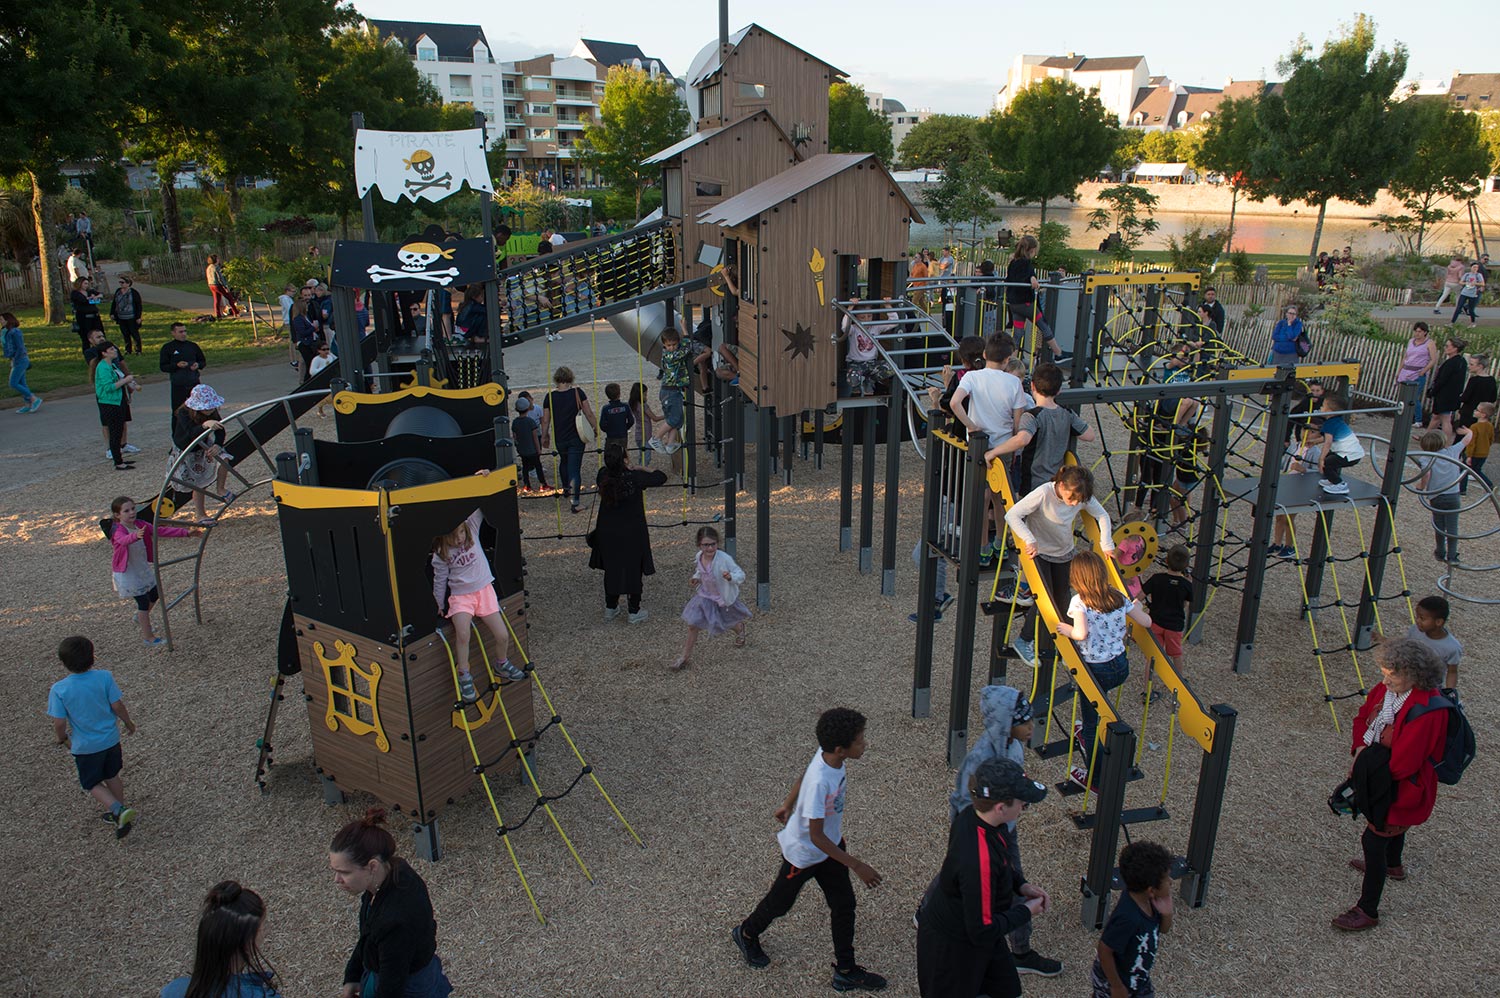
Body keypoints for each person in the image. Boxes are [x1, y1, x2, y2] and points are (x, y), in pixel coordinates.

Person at [731, 708, 887, 993]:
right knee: (780, 904)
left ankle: (846, 970)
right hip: (804, 855)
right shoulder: (821, 782)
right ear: (841, 749)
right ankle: (746, 933)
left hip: (830, 848)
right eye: (860, 740)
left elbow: (802, 776)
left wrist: (787, 804)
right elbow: (815, 836)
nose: (865, 744)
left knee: (844, 905)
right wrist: (857, 865)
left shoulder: (828, 758)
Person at [944, 688, 1062, 978]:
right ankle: (1021, 951)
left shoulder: (1014, 746)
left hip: (1003, 827)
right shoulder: (980, 757)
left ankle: (927, 911)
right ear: (1006, 723)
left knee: (962, 874)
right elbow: (963, 802)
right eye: (1026, 722)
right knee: (1004, 881)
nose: (1032, 727)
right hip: (989, 833)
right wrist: (968, 840)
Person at [1334, 639, 1448, 932]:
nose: (1385, 680)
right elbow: (1362, 717)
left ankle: (1367, 909)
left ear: (1415, 674)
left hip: (1400, 788)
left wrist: (1365, 765)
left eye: (1392, 675)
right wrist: (1361, 747)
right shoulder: (1390, 691)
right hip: (1384, 777)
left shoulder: (1428, 711)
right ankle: (1393, 865)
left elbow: (1403, 765)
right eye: (1384, 673)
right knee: (1391, 831)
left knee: (1373, 840)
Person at [916, 757, 1050, 998]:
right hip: (952, 947)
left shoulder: (973, 816)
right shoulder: (978, 861)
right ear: (1001, 807)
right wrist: (1027, 910)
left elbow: (1002, 863)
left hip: (980, 936)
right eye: (1023, 803)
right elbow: (981, 930)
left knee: (1007, 989)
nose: (1024, 808)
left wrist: (1021, 885)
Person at [1003, 465, 1116, 670]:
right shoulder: (1043, 493)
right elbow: (1012, 515)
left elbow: (1102, 516)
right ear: (1061, 484)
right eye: (1071, 498)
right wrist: (1029, 539)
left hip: (1063, 552)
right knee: (1044, 598)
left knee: (1064, 598)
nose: (1073, 504)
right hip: (1039, 553)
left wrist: (1107, 544)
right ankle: (1024, 640)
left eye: (1078, 502)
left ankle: (1066, 645)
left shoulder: (1079, 493)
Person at [330, 808, 453, 997]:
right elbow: (368, 935)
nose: (336, 879)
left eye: (344, 872)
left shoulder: (396, 919)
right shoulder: (389, 873)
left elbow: (391, 987)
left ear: (372, 866)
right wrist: (353, 975)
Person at [1055, 550, 1151, 788]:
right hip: (1120, 667)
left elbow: (1081, 633)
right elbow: (1146, 622)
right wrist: (1135, 606)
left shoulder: (1080, 601)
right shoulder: (1117, 596)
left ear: (1077, 577)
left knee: (1091, 723)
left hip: (1096, 671)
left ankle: (1094, 778)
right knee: (1099, 709)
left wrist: (1064, 630)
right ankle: (1092, 736)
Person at [429, 486, 524, 704]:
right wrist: (438, 601)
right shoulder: (441, 553)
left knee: (502, 635)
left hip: (484, 591)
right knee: (462, 633)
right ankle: (464, 674)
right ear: (444, 537)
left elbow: (478, 503)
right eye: (454, 537)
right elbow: (440, 579)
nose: (459, 539)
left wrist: (479, 480)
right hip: (462, 597)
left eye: (461, 533)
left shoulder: (471, 527)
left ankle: (501, 663)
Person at [47, 635, 138, 838]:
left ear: (63, 663)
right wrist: (128, 722)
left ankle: (117, 810)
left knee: (91, 783)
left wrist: (61, 738)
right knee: (112, 775)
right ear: (92, 657)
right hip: (111, 740)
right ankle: (120, 812)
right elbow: (117, 705)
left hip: (86, 747)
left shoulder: (59, 690)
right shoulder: (104, 677)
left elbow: (59, 722)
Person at [590, 441, 668, 624]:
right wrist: (641, 467)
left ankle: (611, 607)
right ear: (625, 460)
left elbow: (606, 474)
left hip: (608, 530)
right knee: (634, 568)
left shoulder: (602, 475)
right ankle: (634, 609)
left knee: (612, 567)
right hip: (632, 529)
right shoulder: (634, 477)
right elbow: (661, 476)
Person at [160, 882, 281, 997]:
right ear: (247, 942)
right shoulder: (261, 995)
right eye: (263, 928)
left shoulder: (172, 991)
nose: (266, 932)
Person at [107, 495, 199, 644]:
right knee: (143, 602)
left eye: (133, 508)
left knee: (155, 594)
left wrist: (186, 533)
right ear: (117, 515)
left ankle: (141, 617)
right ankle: (148, 637)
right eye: (126, 511)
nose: (131, 512)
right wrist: (135, 536)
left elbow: (160, 531)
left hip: (141, 568)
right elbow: (122, 540)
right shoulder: (118, 530)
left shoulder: (140, 524)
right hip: (129, 573)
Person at [1090, 840, 1173, 998]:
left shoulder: (1152, 902)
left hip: (1138, 980)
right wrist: (1117, 987)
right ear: (1151, 890)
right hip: (1114, 982)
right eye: (1167, 879)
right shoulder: (1128, 918)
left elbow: (1163, 929)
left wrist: (1167, 914)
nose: (1170, 882)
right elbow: (1105, 950)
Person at [671, 525, 750, 670]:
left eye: (713, 544)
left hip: (722, 598)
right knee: (692, 625)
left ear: (717, 543)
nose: (709, 548)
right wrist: (696, 578)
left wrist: (730, 577)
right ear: (699, 545)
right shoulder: (699, 556)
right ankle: (684, 657)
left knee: (724, 622)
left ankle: (739, 628)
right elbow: (700, 571)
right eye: (705, 545)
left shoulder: (724, 559)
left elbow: (740, 574)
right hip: (705, 597)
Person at [172, 385, 235, 524]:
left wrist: (218, 445)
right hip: (187, 449)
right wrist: (204, 425)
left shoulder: (212, 412)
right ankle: (200, 514)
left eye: (212, 407)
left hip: (203, 445)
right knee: (200, 483)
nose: (211, 410)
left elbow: (220, 430)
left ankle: (221, 489)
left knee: (224, 459)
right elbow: (190, 434)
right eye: (207, 408)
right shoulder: (184, 413)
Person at [538, 366, 597, 514]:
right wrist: (596, 427)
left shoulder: (549, 397)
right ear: (570, 378)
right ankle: (575, 503)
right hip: (576, 435)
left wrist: (544, 436)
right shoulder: (578, 392)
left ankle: (566, 488)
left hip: (560, 437)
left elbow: (545, 420)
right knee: (574, 468)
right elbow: (588, 413)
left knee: (564, 462)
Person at [1415, 426, 1473, 564]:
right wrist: (1469, 432)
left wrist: (1421, 487)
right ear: (1443, 442)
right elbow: (1466, 441)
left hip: (1436, 496)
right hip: (1453, 495)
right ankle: (1452, 555)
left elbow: (1426, 474)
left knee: (1439, 525)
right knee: (1452, 527)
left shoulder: (1425, 458)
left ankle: (1440, 552)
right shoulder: (1452, 451)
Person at [1004, 235, 1063, 362]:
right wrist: (1032, 278)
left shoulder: (1013, 262)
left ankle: (1011, 359)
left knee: (1018, 332)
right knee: (1043, 325)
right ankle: (1058, 353)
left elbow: (1012, 278)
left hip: (1014, 304)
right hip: (1026, 303)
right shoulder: (1026, 263)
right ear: (1032, 250)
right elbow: (1029, 276)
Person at [1142, 544, 1193, 677]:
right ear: (1186, 565)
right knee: (1176, 654)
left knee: (1153, 656)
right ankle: (1180, 681)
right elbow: (1184, 606)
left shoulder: (1156, 579)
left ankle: (1147, 689)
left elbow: (1140, 596)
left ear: (1166, 561)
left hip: (1156, 622)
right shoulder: (1186, 585)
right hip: (1174, 626)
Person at [94, 341, 139, 470]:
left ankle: (119, 457)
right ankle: (118, 462)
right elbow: (108, 387)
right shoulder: (103, 367)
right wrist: (126, 380)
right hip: (109, 403)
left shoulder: (111, 365)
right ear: (104, 353)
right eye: (111, 349)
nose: (115, 350)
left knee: (118, 431)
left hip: (117, 401)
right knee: (115, 432)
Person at [838, 301, 897, 396]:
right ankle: (856, 387)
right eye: (862, 317)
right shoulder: (853, 329)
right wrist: (850, 307)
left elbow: (894, 322)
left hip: (871, 363)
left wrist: (887, 306)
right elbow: (845, 327)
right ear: (856, 317)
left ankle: (869, 380)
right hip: (856, 363)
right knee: (852, 378)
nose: (867, 319)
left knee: (891, 368)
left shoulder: (876, 327)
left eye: (869, 316)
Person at [1406, 594, 1462, 691]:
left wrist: (1449, 692)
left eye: (1422, 618)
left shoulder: (1452, 647)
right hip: (1406, 681)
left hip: (1429, 688)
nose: (1417, 620)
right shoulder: (1415, 630)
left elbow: (1452, 671)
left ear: (1439, 622)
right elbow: (1404, 648)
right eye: (1417, 616)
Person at [1317, 392, 1366, 496]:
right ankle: (1331, 479)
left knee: (1327, 462)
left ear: (1329, 411)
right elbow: (1326, 438)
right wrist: (1313, 442)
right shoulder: (1337, 420)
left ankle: (1340, 484)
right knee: (1330, 457)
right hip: (1352, 453)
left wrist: (1321, 458)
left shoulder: (1329, 424)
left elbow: (1328, 443)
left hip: (1349, 455)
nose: (1320, 408)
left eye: (1323, 406)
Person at [652, 328, 692, 455]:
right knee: (674, 419)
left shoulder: (667, 354)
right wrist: (685, 332)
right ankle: (656, 438)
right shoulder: (670, 356)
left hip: (672, 391)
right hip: (670, 392)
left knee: (677, 419)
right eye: (669, 345)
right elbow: (687, 348)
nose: (672, 347)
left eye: (674, 345)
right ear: (664, 344)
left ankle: (670, 443)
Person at [160, 321, 208, 417]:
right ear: (173, 333)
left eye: (185, 331)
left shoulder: (192, 346)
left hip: (194, 383)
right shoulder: (168, 348)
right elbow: (163, 367)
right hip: (178, 385)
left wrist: (197, 365)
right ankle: (177, 431)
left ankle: (199, 430)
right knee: (178, 411)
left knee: (199, 410)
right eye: (180, 332)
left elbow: (203, 361)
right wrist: (176, 365)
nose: (184, 334)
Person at [1395, 322, 1438, 426]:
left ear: (1425, 332)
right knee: (1403, 395)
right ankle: (1404, 415)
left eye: (1420, 332)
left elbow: (1433, 359)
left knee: (1414, 396)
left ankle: (1418, 419)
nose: (1417, 334)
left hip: (1418, 372)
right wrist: (1399, 371)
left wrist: (1424, 371)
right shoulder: (1411, 341)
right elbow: (1406, 357)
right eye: (1416, 331)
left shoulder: (1430, 343)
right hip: (1406, 370)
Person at [1427, 337, 1467, 441]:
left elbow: (1442, 380)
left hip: (1445, 395)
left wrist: (1433, 391)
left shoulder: (1451, 363)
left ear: (1455, 348)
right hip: (1452, 394)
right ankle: (1427, 437)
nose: (1445, 348)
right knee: (1436, 417)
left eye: (1448, 346)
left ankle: (1446, 441)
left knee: (1445, 419)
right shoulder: (1461, 361)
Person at [3, 312, 40, 412]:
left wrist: (16, 359)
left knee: (13, 383)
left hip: (20, 359)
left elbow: (20, 347)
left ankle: (34, 399)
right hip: (15, 359)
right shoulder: (7, 332)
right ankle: (28, 404)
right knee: (22, 383)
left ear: (8, 320)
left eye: (1, 320)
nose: (0, 322)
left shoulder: (15, 332)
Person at [511, 396, 548, 492]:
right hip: (532, 450)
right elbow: (535, 437)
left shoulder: (515, 422)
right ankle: (543, 484)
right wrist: (538, 449)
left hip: (523, 450)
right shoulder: (530, 422)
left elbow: (515, 437)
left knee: (525, 467)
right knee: (538, 466)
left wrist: (518, 447)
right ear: (527, 408)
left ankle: (527, 485)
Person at [1457, 353, 1496, 429]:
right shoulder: (1491, 380)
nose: (1469, 366)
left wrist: (1458, 398)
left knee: (1463, 436)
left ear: (1480, 366)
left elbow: (1465, 397)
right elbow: (1493, 398)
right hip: (1482, 414)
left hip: (1468, 412)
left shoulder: (1474, 380)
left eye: (1471, 364)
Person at [1463, 401, 1494, 494]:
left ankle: (1462, 489)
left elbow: (1471, 442)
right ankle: (1489, 485)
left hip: (1474, 453)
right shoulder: (1490, 426)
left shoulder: (1474, 427)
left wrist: (1469, 455)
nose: (1475, 411)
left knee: (1464, 470)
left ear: (1483, 415)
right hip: (1484, 453)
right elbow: (1491, 439)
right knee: (1477, 470)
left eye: (1477, 410)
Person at [109, 276, 144, 355]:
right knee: (125, 334)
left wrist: (138, 317)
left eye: (122, 282)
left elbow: (138, 305)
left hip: (131, 317)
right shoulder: (118, 292)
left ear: (128, 283)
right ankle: (128, 350)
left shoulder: (133, 292)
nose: (121, 284)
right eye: (120, 282)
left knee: (134, 334)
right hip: (121, 317)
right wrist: (112, 313)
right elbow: (114, 303)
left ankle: (138, 350)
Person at [628, 383, 660, 465]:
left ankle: (640, 471)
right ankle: (642, 473)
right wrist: (667, 416)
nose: (646, 396)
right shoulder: (644, 406)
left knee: (642, 455)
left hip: (638, 434)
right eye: (645, 394)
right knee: (646, 458)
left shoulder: (633, 405)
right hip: (645, 435)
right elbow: (655, 418)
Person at [290, 301, 321, 382]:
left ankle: (309, 380)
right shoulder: (298, 319)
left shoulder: (304, 317)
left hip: (309, 342)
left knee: (310, 362)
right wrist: (313, 328)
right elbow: (302, 332)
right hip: (304, 343)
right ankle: (307, 381)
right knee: (309, 363)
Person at [597, 382, 634, 449]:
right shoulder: (625, 406)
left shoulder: (606, 408)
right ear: (619, 394)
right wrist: (625, 428)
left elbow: (602, 424)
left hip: (611, 435)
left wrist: (608, 430)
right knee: (623, 453)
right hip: (622, 434)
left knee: (611, 454)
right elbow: (631, 421)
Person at [205, 254, 240, 318]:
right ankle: (236, 312)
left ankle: (218, 315)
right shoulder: (216, 267)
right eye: (217, 259)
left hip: (211, 285)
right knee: (230, 298)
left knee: (217, 300)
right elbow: (220, 278)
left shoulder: (208, 268)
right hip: (218, 285)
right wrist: (225, 286)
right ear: (215, 260)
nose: (218, 260)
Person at [72, 277, 104, 347]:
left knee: (99, 334)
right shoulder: (75, 293)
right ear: (80, 284)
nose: (86, 285)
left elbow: (100, 295)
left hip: (95, 317)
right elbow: (83, 300)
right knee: (85, 336)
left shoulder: (90, 291)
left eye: (87, 284)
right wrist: (91, 298)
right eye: (85, 283)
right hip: (84, 318)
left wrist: (96, 296)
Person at [1451, 262, 1482, 326]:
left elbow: (1482, 283)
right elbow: (1461, 282)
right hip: (1464, 293)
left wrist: (1475, 283)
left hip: (1472, 294)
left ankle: (1473, 322)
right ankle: (1452, 322)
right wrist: (1466, 283)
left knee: (1471, 309)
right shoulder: (1467, 274)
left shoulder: (1478, 275)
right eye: (1474, 267)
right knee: (1458, 307)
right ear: (1471, 268)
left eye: (1477, 267)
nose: (1475, 269)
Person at [310, 343, 335, 417]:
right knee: (322, 396)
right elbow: (312, 371)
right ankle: (320, 410)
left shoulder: (330, 357)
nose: (326, 351)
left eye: (327, 349)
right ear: (319, 351)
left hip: (329, 378)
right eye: (324, 349)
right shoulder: (316, 359)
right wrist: (324, 370)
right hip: (320, 380)